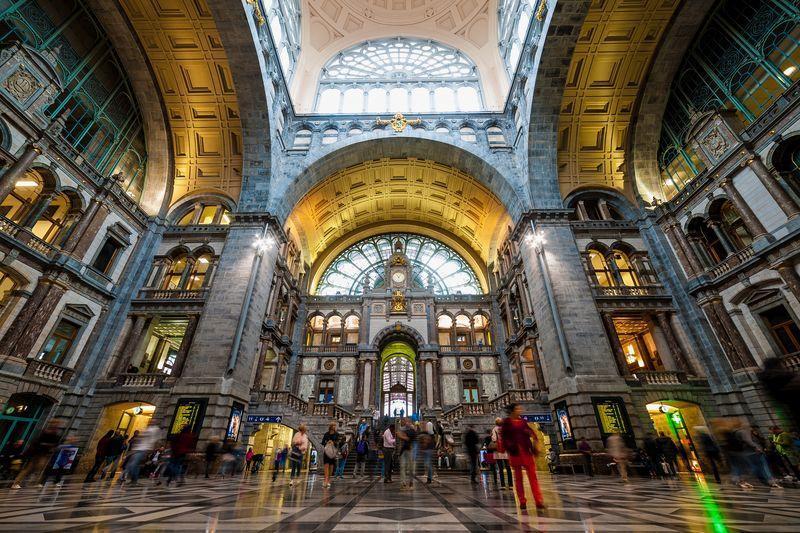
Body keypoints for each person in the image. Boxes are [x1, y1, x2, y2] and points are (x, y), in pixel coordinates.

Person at [500, 403, 544, 510]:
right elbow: (504, 437)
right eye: (517, 409)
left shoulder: (523, 422)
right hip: (515, 453)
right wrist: (508, 447)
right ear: (512, 411)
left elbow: (532, 433)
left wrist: (535, 442)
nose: (520, 410)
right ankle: (522, 501)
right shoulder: (506, 423)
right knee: (518, 478)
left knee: (533, 477)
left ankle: (538, 500)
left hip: (526, 451)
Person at [12, 419, 63, 489]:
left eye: (57, 424)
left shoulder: (56, 434)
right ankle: (16, 483)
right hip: (37, 453)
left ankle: (37, 482)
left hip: (45, 454)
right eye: (55, 423)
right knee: (29, 468)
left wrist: (52, 447)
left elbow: (56, 444)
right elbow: (36, 442)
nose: (56, 425)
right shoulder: (44, 432)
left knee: (40, 468)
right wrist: (47, 445)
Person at [492, 417, 513, 490]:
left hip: (498, 450)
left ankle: (503, 485)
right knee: (508, 468)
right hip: (506, 450)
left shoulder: (494, 429)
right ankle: (510, 485)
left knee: (500, 468)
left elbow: (494, 439)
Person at [397, 418, 416, 489]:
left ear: (410, 422)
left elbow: (408, 437)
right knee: (402, 467)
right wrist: (403, 435)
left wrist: (402, 436)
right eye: (404, 421)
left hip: (410, 450)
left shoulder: (412, 430)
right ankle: (403, 483)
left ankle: (411, 482)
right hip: (403, 451)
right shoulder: (402, 429)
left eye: (407, 421)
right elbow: (399, 434)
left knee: (411, 468)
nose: (406, 423)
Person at [321, 422, 340, 488]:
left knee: (331, 466)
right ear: (330, 426)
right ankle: (325, 480)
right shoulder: (326, 434)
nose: (334, 427)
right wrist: (327, 442)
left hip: (333, 452)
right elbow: (322, 442)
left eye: (335, 425)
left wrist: (333, 442)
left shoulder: (337, 434)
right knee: (326, 465)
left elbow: (338, 442)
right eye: (333, 425)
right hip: (326, 451)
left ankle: (329, 479)